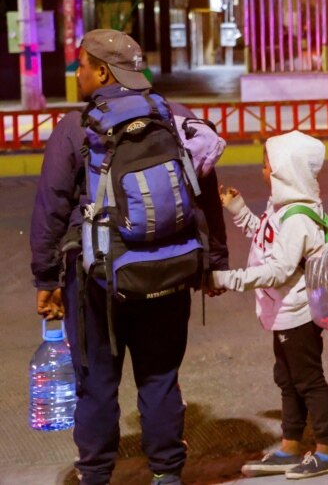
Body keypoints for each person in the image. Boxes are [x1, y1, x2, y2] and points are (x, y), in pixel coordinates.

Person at [30, 29, 229, 485]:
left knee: (97, 382)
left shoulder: (76, 127)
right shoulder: (175, 116)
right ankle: (166, 474)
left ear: (102, 71)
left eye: (81, 64)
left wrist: (47, 280)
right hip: (172, 268)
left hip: (98, 281)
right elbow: (206, 196)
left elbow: (51, 209)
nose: (77, 72)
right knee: (160, 378)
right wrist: (214, 262)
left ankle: (96, 475)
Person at [211, 130, 328, 478]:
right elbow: (265, 240)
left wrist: (226, 279)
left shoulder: (299, 217)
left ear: (286, 170)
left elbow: (279, 270)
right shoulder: (281, 209)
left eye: (267, 165)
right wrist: (239, 211)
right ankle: (290, 447)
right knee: (286, 379)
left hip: (298, 314)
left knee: (308, 380)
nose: (263, 171)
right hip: (281, 312)